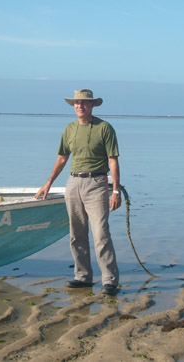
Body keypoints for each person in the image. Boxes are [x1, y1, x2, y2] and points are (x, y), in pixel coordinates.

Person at [35, 89, 121, 296]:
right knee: (77, 233)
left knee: (101, 233)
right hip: (73, 182)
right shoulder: (69, 129)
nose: (80, 106)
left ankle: (109, 280)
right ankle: (82, 276)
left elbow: (113, 160)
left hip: (97, 182)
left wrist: (116, 190)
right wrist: (48, 182)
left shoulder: (105, 128)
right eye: (76, 103)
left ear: (92, 105)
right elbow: (62, 158)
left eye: (84, 103)